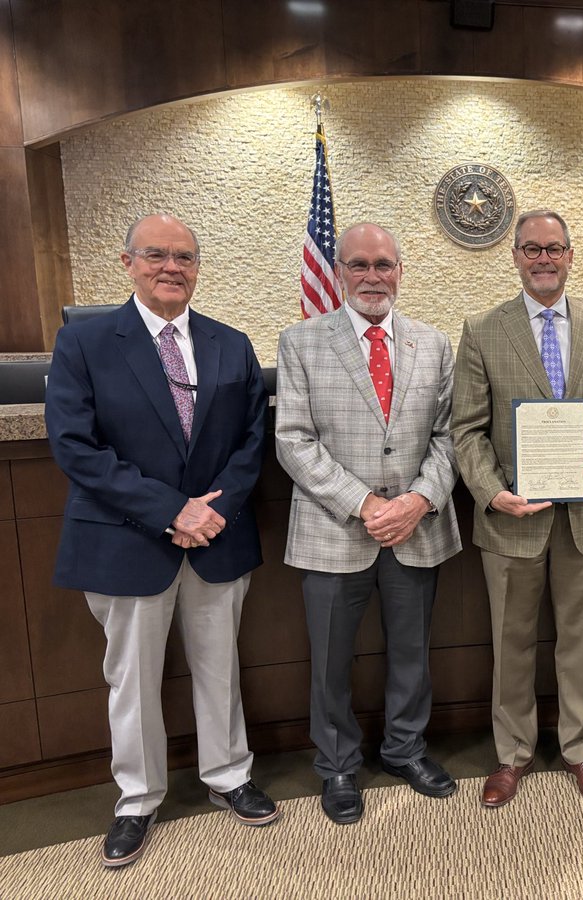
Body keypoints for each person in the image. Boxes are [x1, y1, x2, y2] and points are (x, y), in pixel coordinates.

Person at [44, 214, 277, 869]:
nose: (171, 267)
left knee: (219, 665)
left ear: (198, 267)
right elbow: (76, 447)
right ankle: (138, 800)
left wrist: (210, 513)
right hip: (127, 540)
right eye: (156, 255)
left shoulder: (232, 345)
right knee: (133, 679)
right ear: (128, 263)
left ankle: (229, 776)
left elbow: (251, 442)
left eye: (184, 256)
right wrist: (171, 511)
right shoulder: (85, 343)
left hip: (217, 540)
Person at [451, 209, 583, 808]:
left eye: (554, 248)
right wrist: (491, 491)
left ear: (570, 254)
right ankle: (513, 755)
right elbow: (467, 430)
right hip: (513, 517)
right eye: (531, 249)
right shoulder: (482, 329)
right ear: (515, 256)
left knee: (582, 641)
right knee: (511, 641)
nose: (543, 259)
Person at [275, 222, 462, 825]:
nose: (372, 276)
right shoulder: (301, 342)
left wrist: (418, 501)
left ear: (400, 271)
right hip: (335, 530)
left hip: (415, 528)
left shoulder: (431, 344)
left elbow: (449, 436)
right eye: (359, 265)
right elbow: (293, 441)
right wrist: (365, 504)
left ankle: (405, 749)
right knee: (330, 660)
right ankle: (336, 766)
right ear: (337, 273)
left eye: (384, 264)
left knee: (412, 652)